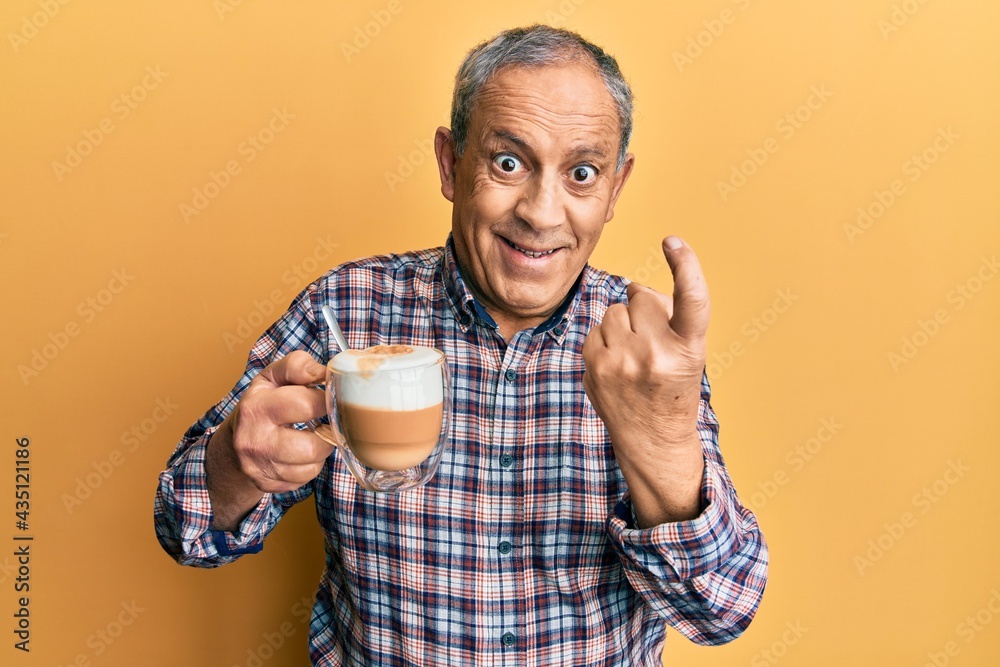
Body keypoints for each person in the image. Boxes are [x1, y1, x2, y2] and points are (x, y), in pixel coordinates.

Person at [155, 24, 768, 666]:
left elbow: (720, 610)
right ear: (452, 165)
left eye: (582, 173)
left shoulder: (643, 351)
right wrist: (236, 461)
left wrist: (661, 441)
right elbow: (184, 528)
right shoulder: (343, 308)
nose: (541, 212)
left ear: (614, 188)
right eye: (508, 163)